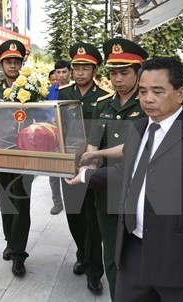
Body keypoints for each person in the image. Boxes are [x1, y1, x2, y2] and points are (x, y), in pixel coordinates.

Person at [82, 56, 183, 301]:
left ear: (179, 93)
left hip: (180, 261)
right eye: (143, 91)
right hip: (133, 254)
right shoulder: (137, 129)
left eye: (158, 91)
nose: (148, 99)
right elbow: (128, 174)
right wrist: (84, 176)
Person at [68, 38, 149, 300]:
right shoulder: (103, 104)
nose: (118, 79)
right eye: (113, 73)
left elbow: (136, 148)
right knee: (113, 257)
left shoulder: (148, 104)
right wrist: (85, 168)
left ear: (139, 71)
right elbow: (93, 145)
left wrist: (95, 155)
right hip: (108, 191)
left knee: (141, 257)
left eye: (124, 72)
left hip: (140, 192)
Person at [57, 42, 110, 294]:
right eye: (76, 67)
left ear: (94, 69)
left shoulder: (103, 95)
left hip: (92, 164)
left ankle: (93, 270)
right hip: (68, 163)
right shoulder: (64, 92)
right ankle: (82, 251)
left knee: (92, 218)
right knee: (74, 215)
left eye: (85, 67)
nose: (79, 72)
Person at [0, 39, 34, 277]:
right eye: (8, 61)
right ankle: (9, 241)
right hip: (0, 153)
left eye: (17, 61)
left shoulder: (34, 88)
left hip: (26, 153)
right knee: (6, 201)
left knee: (22, 202)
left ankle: (19, 254)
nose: (13, 65)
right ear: (1, 64)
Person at [47, 59, 71, 215]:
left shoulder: (75, 90)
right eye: (58, 72)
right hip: (52, 137)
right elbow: (43, 110)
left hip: (71, 137)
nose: (61, 75)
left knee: (69, 171)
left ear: (70, 72)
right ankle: (57, 202)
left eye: (64, 72)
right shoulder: (49, 91)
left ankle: (71, 201)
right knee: (53, 174)